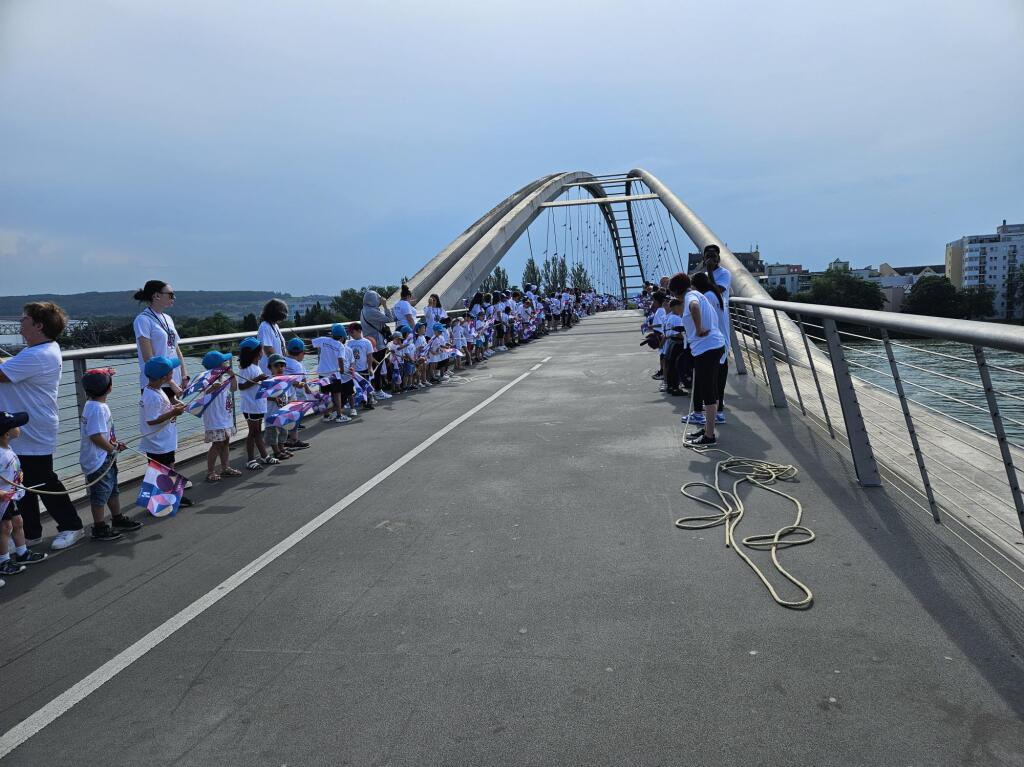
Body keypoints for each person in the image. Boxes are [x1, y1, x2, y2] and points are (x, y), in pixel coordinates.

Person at [0, 302, 86, 549]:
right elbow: (9, 369)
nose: (19, 322)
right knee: (22, 483)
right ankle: (30, 533)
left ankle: (72, 526)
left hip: (32, 429)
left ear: (38, 325)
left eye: (24, 319)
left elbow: (3, 374)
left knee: (43, 480)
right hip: (24, 429)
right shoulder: (39, 351)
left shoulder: (39, 354)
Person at [79, 368, 141, 541]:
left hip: (103, 456)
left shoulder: (92, 405)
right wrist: (111, 449)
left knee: (112, 489)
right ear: (110, 388)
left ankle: (117, 517)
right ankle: (99, 527)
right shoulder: (98, 409)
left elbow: (102, 433)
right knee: (100, 494)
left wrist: (113, 444)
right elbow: (96, 436)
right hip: (99, 461)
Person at [674, 274, 726, 445]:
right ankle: (707, 429)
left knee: (707, 392)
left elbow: (694, 307)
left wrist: (699, 328)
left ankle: (709, 436)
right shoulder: (699, 294)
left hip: (706, 349)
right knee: (711, 388)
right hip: (714, 345)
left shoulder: (691, 298)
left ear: (675, 292)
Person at [139, 355, 193, 506]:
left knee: (168, 466)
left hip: (164, 440)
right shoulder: (151, 396)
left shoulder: (156, 390)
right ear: (164, 376)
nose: (173, 372)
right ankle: (158, 502)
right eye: (171, 371)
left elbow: (161, 410)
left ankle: (171, 497)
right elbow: (151, 419)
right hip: (158, 442)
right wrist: (173, 413)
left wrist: (173, 408)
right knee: (159, 471)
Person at [0, 412, 48, 581]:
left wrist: (18, 480)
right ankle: (3, 561)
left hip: (10, 498)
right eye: (16, 426)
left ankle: (22, 552)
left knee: (18, 522)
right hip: (3, 500)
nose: (20, 428)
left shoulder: (7, 448)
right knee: (5, 528)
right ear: (6, 434)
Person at [133, 280, 189, 396]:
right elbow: (149, 358)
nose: (173, 297)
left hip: (174, 379)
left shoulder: (168, 318)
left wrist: (184, 375)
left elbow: (176, 349)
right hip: (157, 383)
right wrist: (171, 382)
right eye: (170, 294)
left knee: (174, 413)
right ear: (157, 296)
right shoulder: (143, 320)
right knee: (161, 415)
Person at [692, 272, 730, 423]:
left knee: (709, 383)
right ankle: (717, 413)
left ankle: (710, 418)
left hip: (710, 343)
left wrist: (697, 330)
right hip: (720, 342)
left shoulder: (705, 297)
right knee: (716, 381)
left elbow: (700, 316)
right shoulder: (715, 295)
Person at [199, 351, 240, 482]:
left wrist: (232, 375)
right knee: (217, 444)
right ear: (217, 366)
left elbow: (234, 388)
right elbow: (203, 395)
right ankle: (210, 471)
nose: (227, 364)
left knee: (226, 442)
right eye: (225, 362)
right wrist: (212, 389)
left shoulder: (224, 378)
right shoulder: (206, 379)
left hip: (225, 416)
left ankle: (225, 467)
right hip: (215, 418)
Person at [237, 337, 276, 470]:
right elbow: (241, 386)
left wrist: (272, 395)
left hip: (258, 404)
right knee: (253, 432)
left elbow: (259, 387)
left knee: (258, 431)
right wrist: (258, 379)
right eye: (260, 351)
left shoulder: (256, 367)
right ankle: (250, 459)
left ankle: (264, 455)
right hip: (250, 406)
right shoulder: (246, 368)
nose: (263, 353)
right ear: (255, 353)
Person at [311, 324, 352, 424]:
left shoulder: (324, 340)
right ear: (342, 337)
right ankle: (339, 415)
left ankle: (326, 415)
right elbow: (340, 359)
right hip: (334, 374)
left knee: (325, 395)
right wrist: (342, 370)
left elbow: (312, 342)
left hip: (322, 372)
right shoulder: (340, 346)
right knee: (337, 394)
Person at [360, 289, 395, 390]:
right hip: (377, 344)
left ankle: (375, 390)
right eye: (378, 299)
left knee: (373, 368)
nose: (379, 300)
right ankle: (378, 390)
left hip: (369, 342)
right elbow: (390, 318)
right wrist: (384, 305)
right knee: (377, 369)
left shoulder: (364, 310)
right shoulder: (372, 312)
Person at [262, 355, 293, 461]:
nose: (280, 368)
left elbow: (287, 396)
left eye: (282, 365)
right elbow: (263, 396)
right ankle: (276, 452)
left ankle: (281, 448)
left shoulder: (285, 381)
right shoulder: (268, 381)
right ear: (270, 368)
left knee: (284, 431)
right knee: (272, 432)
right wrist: (273, 398)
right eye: (276, 366)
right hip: (271, 412)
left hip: (282, 411)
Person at [283, 339, 313, 448]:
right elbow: (298, 383)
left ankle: (285, 439)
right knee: (294, 417)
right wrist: (304, 387)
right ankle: (294, 440)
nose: (304, 356)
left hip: (282, 395)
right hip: (292, 395)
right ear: (300, 353)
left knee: (286, 417)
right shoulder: (298, 365)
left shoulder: (283, 360)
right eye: (304, 353)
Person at [346, 322, 377, 409]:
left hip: (364, 369)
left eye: (352, 332)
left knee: (365, 386)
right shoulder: (349, 343)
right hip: (353, 370)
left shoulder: (367, 342)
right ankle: (356, 401)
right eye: (349, 333)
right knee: (353, 387)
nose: (351, 335)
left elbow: (369, 356)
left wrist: (370, 368)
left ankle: (367, 403)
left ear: (359, 331)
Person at [662, 299, 688, 396]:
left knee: (671, 365)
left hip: (671, 343)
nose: (682, 309)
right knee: (677, 366)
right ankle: (676, 388)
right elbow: (679, 334)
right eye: (682, 306)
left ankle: (670, 386)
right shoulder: (677, 319)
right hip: (677, 343)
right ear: (676, 307)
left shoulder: (670, 318)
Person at [257, 298, 289, 374]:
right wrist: (279, 366)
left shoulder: (275, 325)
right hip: (271, 370)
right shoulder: (265, 326)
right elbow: (268, 349)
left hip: (278, 367)